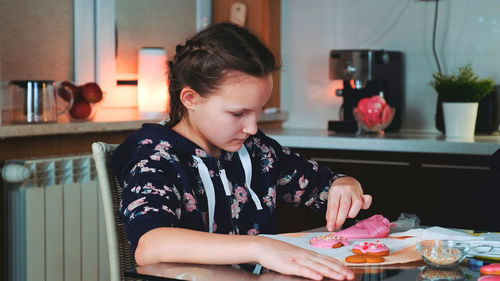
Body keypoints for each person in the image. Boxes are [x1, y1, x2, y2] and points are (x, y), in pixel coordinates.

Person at [111, 22, 372, 281]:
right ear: (191, 99)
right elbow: (150, 245)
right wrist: (261, 248)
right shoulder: (156, 157)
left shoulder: (258, 151)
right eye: (238, 113)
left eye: (258, 111)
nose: (251, 127)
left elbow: (324, 186)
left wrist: (345, 186)